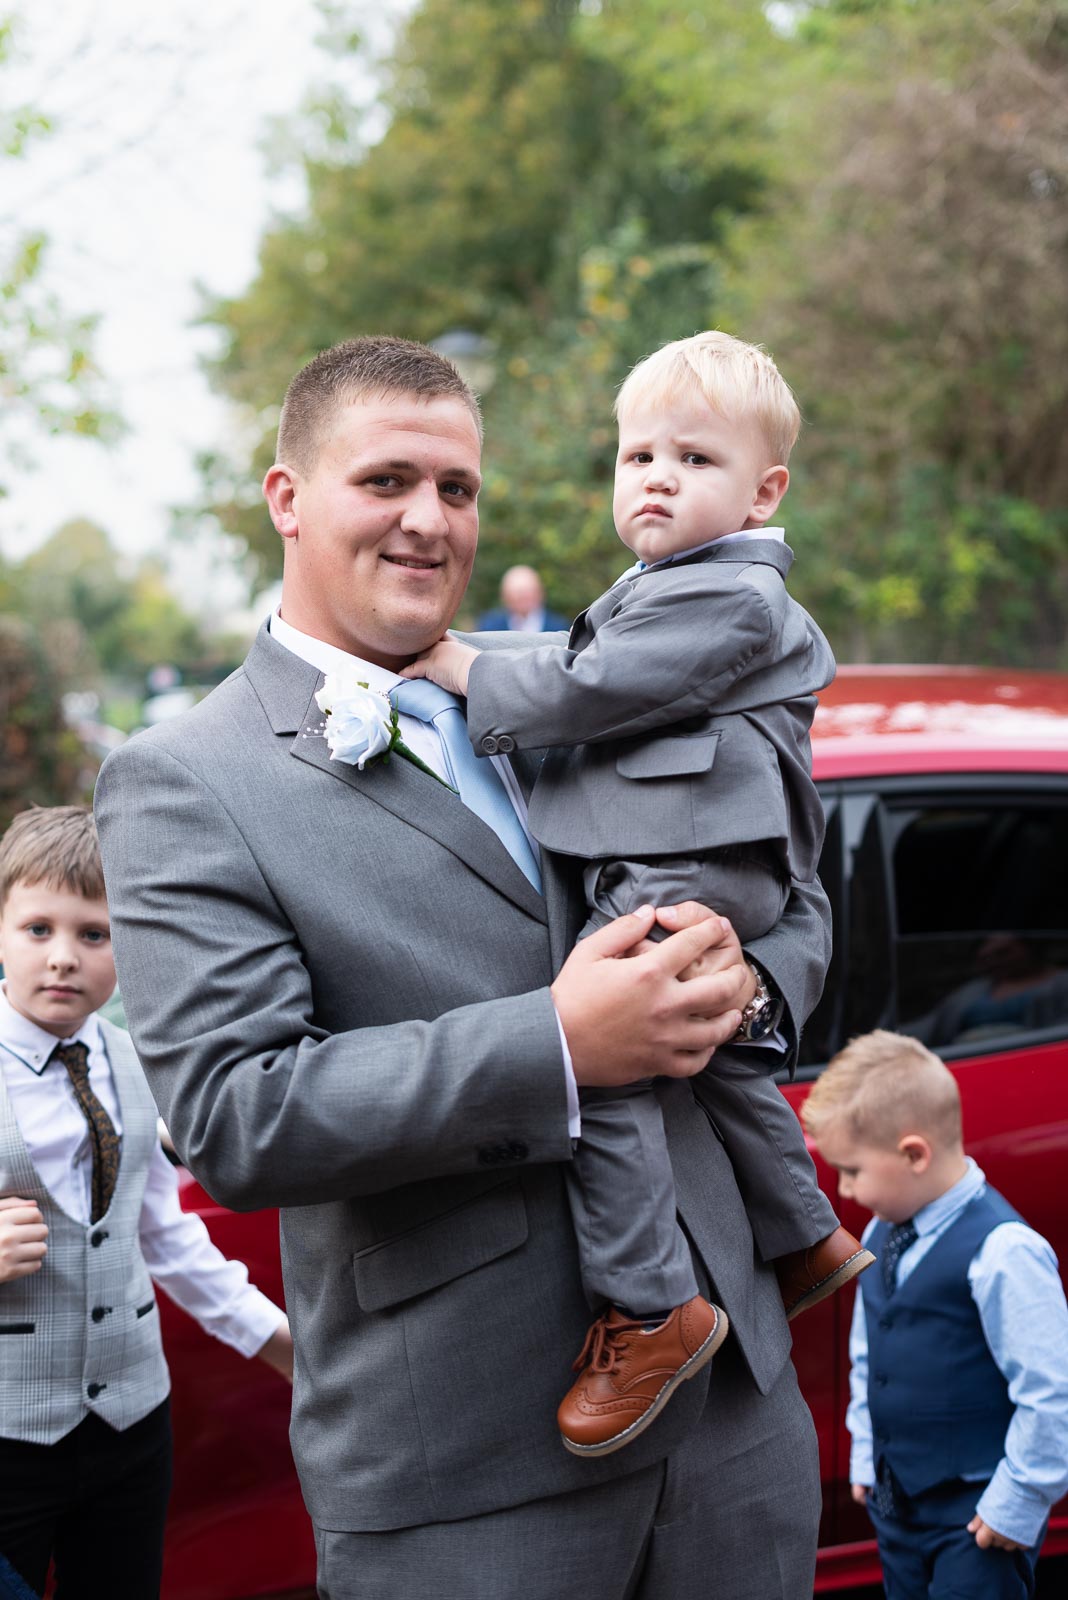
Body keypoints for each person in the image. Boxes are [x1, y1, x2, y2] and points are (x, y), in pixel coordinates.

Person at [95, 334, 830, 1600]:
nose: (429, 522)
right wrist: (556, 1043)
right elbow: (234, 1110)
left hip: (736, 1428)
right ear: (288, 499)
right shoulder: (183, 777)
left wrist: (752, 987)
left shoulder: (562, 678)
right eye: (386, 482)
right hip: (464, 1473)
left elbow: (796, 878)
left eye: (458, 489)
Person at [409, 329, 872, 1455]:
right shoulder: (678, 580)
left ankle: (650, 1304)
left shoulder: (738, 595)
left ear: (765, 491)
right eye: (638, 456)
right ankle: (804, 1230)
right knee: (700, 1054)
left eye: (694, 459)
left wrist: (462, 665)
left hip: (696, 850)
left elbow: (597, 687)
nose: (657, 476)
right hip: (687, 842)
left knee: (605, 1051)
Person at [0, 805, 292, 1600]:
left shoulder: (133, 1058)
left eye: (94, 934)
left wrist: (281, 1344)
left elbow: (165, 1233)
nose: (64, 959)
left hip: (132, 1426)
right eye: (38, 930)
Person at [801, 1030, 1068, 1600]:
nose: (843, 1188)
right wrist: (867, 1455)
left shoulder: (1004, 1252)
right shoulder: (881, 1233)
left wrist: (1018, 1502)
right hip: (898, 1504)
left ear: (913, 1154)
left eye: (851, 1171)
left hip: (977, 1516)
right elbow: (869, 1351)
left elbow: (1051, 1393)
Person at [476, 564, 569, 632]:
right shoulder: (490, 626)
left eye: (528, 591)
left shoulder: (559, 627)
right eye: (517, 593)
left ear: (540, 593)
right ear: (504, 597)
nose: (523, 597)